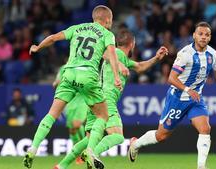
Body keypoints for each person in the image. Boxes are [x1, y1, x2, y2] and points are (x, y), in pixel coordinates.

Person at [23, 5, 122, 169]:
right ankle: (90, 151)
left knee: (52, 114)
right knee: (102, 116)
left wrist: (38, 47)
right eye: (110, 21)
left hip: (68, 73)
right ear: (107, 20)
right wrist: (117, 76)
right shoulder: (107, 34)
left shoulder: (77, 28)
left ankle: (33, 148)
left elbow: (54, 37)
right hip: (88, 75)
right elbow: (111, 54)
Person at [54, 29, 168, 169]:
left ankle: (61, 166)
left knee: (89, 139)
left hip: (94, 100)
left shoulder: (122, 57)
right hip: (106, 100)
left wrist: (156, 58)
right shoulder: (116, 53)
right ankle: (92, 153)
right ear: (132, 44)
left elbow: (139, 67)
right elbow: (105, 53)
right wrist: (119, 65)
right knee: (117, 136)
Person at [128, 22, 216, 169]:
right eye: (200, 34)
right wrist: (187, 89)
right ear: (194, 36)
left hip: (195, 100)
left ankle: (201, 166)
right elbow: (171, 78)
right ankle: (135, 144)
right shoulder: (185, 54)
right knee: (161, 136)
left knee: (205, 129)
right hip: (177, 98)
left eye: (207, 35)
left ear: (210, 38)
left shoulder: (213, 54)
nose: (203, 37)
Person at [53, 65, 88, 164]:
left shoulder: (84, 66)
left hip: (82, 100)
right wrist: (57, 84)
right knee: (72, 130)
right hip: (70, 102)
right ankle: (78, 153)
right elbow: (56, 83)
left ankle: (85, 150)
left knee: (77, 125)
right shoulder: (64, 68)